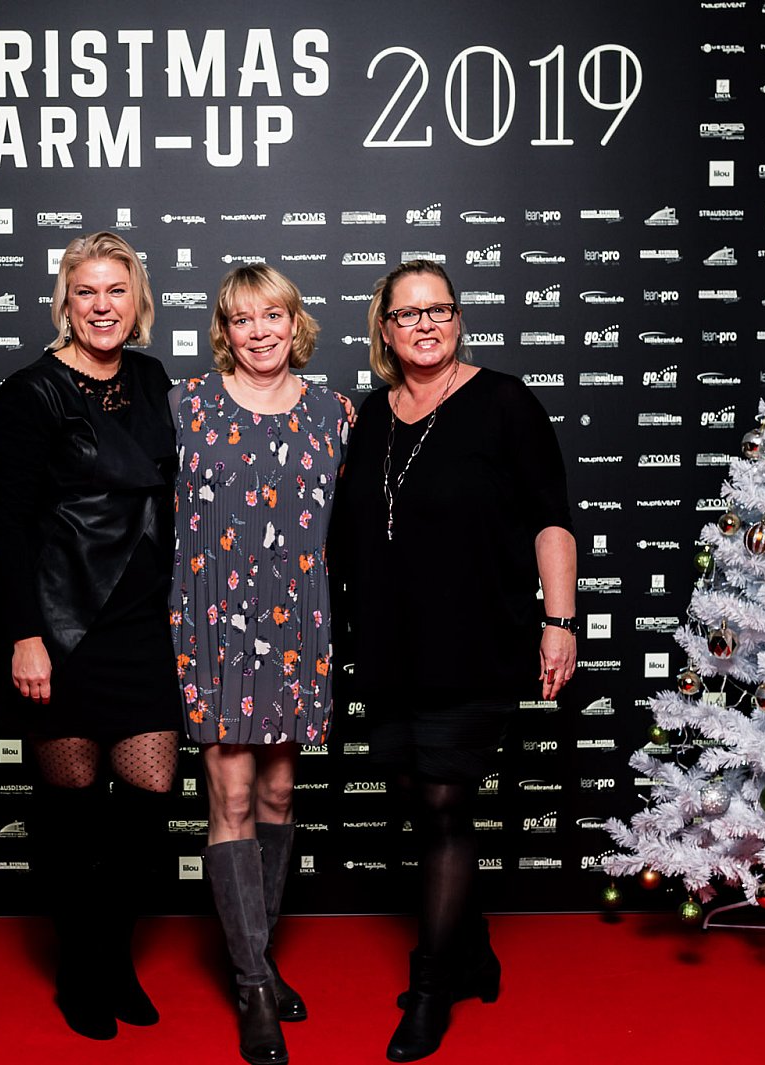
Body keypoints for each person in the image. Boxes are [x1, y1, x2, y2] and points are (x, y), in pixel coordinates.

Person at [333, 260, 577, 1062]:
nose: (425, 325)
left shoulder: (505, 402)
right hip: (389, 644)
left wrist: (560, 620)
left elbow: (551, 518)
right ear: (385, 329)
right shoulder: (372, 413)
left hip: (475, 640)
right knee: (416, 795)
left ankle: (432, 985)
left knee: (444, 801)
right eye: (407, 314)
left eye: (438, 309)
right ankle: (472, 950)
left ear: (459, 318)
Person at [0, 231, 182, 1042]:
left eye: (116, 290)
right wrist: (25, 636)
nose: (103, 306)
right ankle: (78, 967)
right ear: (65, 302)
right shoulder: (31, 392)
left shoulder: (150, 378)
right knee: (71, 816)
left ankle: (114, 954)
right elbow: (9, 525)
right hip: (63, 626)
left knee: (147, 802)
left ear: (138, 301)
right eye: (87, 292)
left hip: (141, 623)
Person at [171, 264, 348, 1065]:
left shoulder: (333, 412)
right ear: (225, 331)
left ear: (294, 321)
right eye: (242, 319)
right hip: (212, 622)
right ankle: (251, 985)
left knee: (278, 791)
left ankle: (261, 957)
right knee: (232, 795)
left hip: (297, 624)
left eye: (272, 315)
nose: (259, 331)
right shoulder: (186, 406)